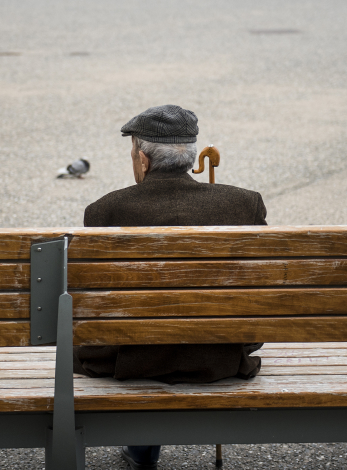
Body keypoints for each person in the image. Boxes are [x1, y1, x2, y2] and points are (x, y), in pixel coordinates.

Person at [72, 104, 266, 470]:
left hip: (130, 360)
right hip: (220, 356)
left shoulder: (105, 211)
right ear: (190, 156)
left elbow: (93, 303)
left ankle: (142, 448)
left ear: (143, 160)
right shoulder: (244, 203)